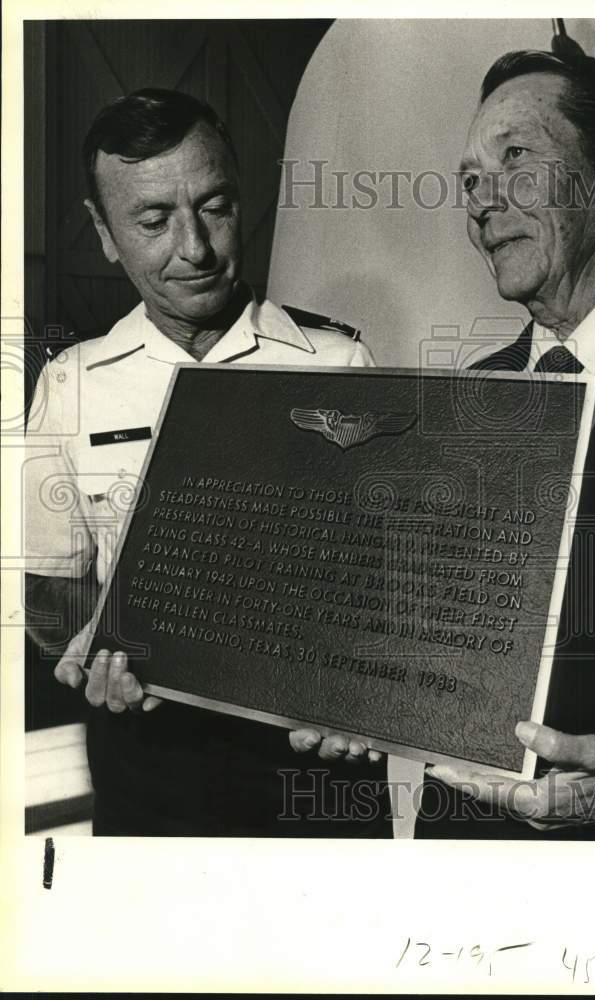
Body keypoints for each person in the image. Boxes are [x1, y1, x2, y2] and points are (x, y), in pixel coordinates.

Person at [24, 88, 390, 837]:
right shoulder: (72, 383)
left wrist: (364, 694)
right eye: (153, 221)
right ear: (104, 233)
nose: (193, 248)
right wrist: (91, 640)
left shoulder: (339, 362)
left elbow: (394, 577)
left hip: (316, 761)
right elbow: (47, 586)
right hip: (148, 759)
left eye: (215, 207)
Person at [413, 50, 595, 840]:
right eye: (471, 181)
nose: (482, 203)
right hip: (460, 868)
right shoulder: (470, 395)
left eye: (515, 157)